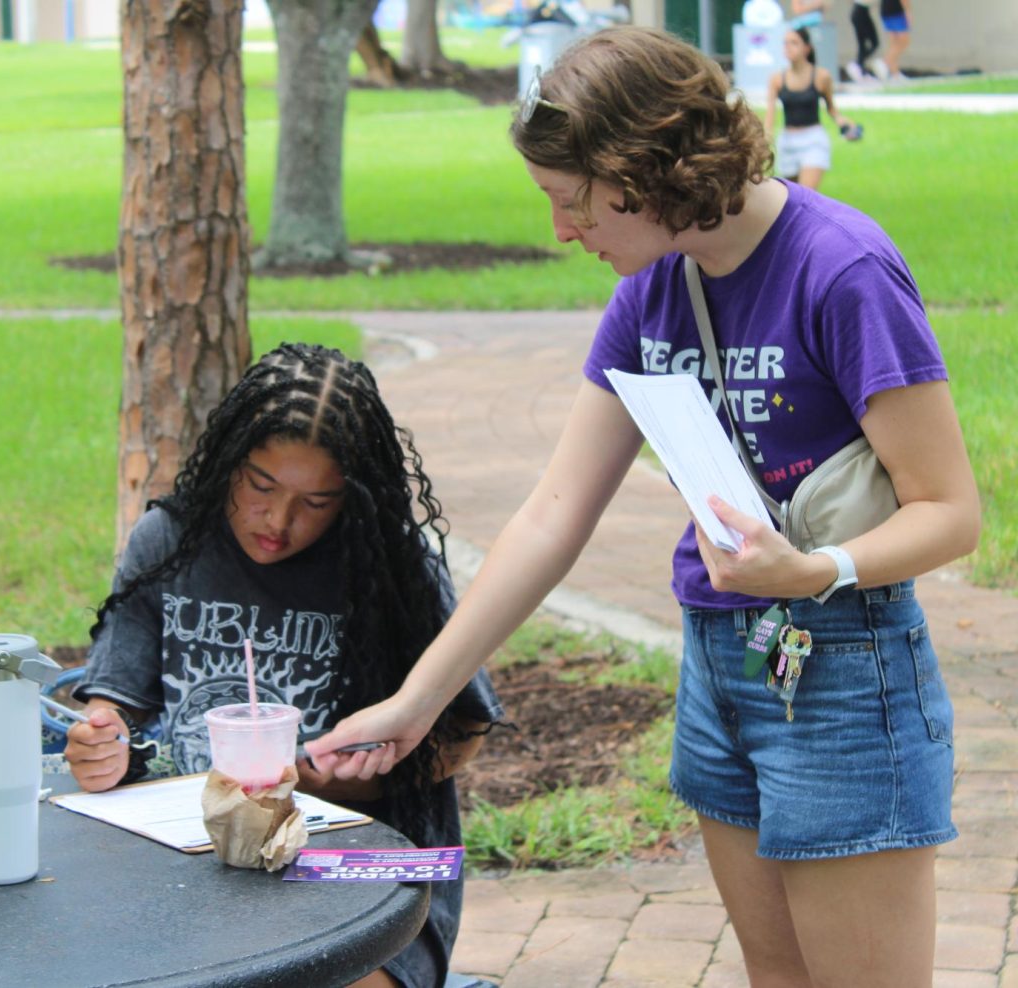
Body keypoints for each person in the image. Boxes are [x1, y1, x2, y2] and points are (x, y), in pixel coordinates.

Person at [311, 27, 980, 988]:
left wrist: (811, 571)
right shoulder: (653, 291)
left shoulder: (841, 270)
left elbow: (951, 512)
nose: (562, 231)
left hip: (844, 673)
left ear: (640, 172)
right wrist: (419, 701)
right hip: (721, 667)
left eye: (568, 200)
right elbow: (553, 513)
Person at [65, 343, 503, 988]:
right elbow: (115, 703)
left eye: (316, 501)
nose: (278, 520)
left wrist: (337, 784)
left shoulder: (393, 568)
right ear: (229, 463)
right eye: (260, 487)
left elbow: (462, 733)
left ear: (352, 496)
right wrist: (101, 741)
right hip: (196, 869)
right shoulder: (171, 541)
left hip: (361, 884)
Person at [764, 26, 859, 191]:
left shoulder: (821, 76)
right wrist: (764, 142)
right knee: (790, 199)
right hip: (787, 142)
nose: (788, 47)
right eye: (785, 43)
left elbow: (832, 110)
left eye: (794, 43)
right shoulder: (777, 79)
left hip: (813, 141)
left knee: (806, 197)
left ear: (807, 48)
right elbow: (770, 116)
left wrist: (847, 125)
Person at [846, 0, 881, 82]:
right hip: (860, 12)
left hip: (862, 12)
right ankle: (858, 64)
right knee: (871, 43)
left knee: (865, 45)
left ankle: (860, 67)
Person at [879, 0, 912, 80]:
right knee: (904, 41)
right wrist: (908, 12)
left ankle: (895, 74)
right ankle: (884, 62)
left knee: (894, 43)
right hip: (896, 12)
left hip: (886, 10)